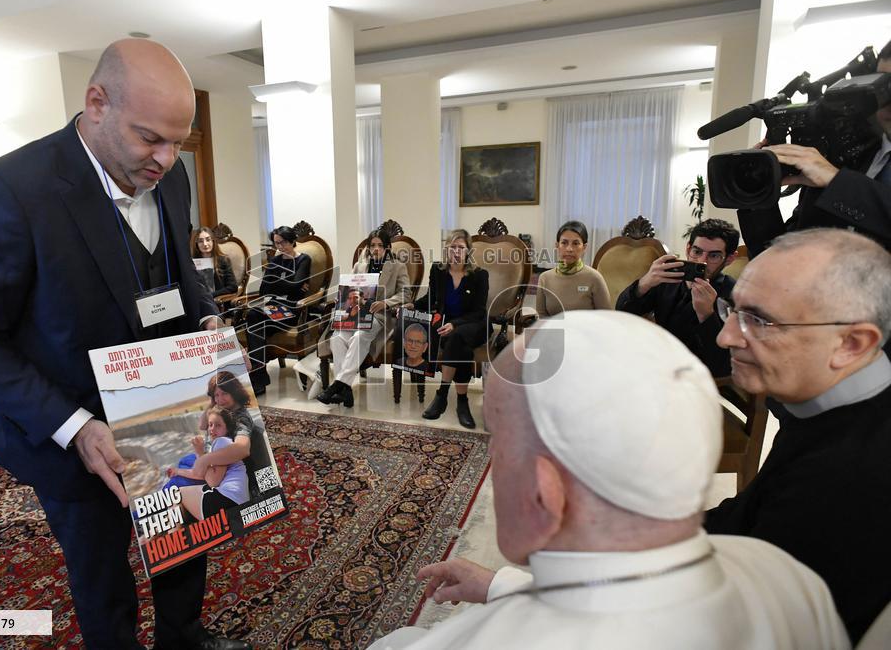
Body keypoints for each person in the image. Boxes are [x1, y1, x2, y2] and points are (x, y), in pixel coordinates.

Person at [0, 39, 250, 650]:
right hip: (77, 435)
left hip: (174, 407)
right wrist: (73, 425)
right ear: (96, 102)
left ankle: (183, 638)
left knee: (185, 537)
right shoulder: (7, 190)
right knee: (100, 572)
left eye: (179, 141)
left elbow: (181, 278)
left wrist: (207, 323)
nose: (167, 158)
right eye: (150, 138)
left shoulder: (170, 175)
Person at [369, 311, 849, 650]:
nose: (491, 455)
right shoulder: (787, 577)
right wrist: (503, 586)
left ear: (544, 494)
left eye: (498, 439)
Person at [705, 228, 891, 643]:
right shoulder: (828, 405)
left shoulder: (849, 478)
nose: (726, 336)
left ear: (851, 343)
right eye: (731, 311)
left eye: (758, 320)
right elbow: (751, 516)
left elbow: (749, 622)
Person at [738, 39, 891, 257]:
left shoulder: (838, 178)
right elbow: (781, 258)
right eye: (883, 85)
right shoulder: (846, 159)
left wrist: (837, 182)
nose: (886, 101)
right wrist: (757, 193)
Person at [616, 218, 739, 377]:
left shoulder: (734, 293)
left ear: (729, 259)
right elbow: (622, 313)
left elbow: (722, 364)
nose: (702, 261)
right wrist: (644, 283)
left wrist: (706, 315)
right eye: (697, 252)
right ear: (688, 249)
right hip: (659, 367)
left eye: (714, 256)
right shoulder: (667, 277)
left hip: (702, 378)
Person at [317, 228, 409, 407]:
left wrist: (386, 303)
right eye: (372, 245)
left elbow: (406, 294)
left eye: (380, 246)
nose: (376, 249)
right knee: (336, 338)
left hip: (380, 316)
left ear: (387, 247)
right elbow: (350, 288)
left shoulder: (398, 266)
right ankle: (346, 392)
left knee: (360, 336)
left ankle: (337, 385)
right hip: (355, 313)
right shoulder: (360, 266)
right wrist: (342, 298)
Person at [413, 229, 489, 429]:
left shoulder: (480, 275)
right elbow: (431, 299)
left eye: (461, 247)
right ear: (447, 249)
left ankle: (442, 395)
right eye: (452, 247)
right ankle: (462, 404)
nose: (456, 251)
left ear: (468, 251)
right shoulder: (438, 270)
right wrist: (412, 305)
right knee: (459, 345)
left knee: (457, 336)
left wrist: (455, 324)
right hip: (449, 326)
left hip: (475, 324)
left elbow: (479, 312)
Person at [244, 224, 311, 396]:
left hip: (290, 310)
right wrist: (291, 286)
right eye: (276, 243)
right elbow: (263, 289)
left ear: (292, 241)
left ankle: (258, 379)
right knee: (253, 317)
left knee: (254, 321)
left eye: (282, 243)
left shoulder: (303, 260)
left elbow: (294, 286)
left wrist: (277, 284)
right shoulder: (275, 261)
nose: (279, 247)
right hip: (271, 308)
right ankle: (258, 377)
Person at [175, 407, 250, 522]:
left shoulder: (222, 442)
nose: (212, 429)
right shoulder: (224, 445)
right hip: (235, 501)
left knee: (176, 495)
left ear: (227, 429)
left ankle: (170, 536)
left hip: (228, 502)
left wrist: (200, 452)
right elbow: (202, 475)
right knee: (181, 503)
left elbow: (213, 481)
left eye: (218, 425)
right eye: (210, 425)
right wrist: (177, 471)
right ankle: (151, 536)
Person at [535, 220, 611, 316]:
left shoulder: (594, 278)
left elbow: (606, 317)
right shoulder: (545, 278)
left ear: (584, 247)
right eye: (564, 243)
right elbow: (541, 316)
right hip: (554, 330)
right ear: (557, 246)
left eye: (575, 243)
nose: (569, 249)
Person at [190, 226, 238, 309]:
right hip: (198, 303)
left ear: (213, 241)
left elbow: (233, 287)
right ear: (196, 244)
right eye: (200, 241)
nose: (205, 244)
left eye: (208, 239)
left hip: (217, 303)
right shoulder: (192, 263)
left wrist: (211, 295)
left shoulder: (223, 260)